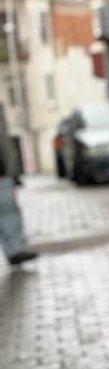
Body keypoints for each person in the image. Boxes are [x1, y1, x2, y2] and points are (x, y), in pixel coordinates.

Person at [0, 107, 36, 266]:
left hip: (1, 173)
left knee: (9, 212)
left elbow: (4, 142)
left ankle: (15, 251)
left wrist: (12, 172)